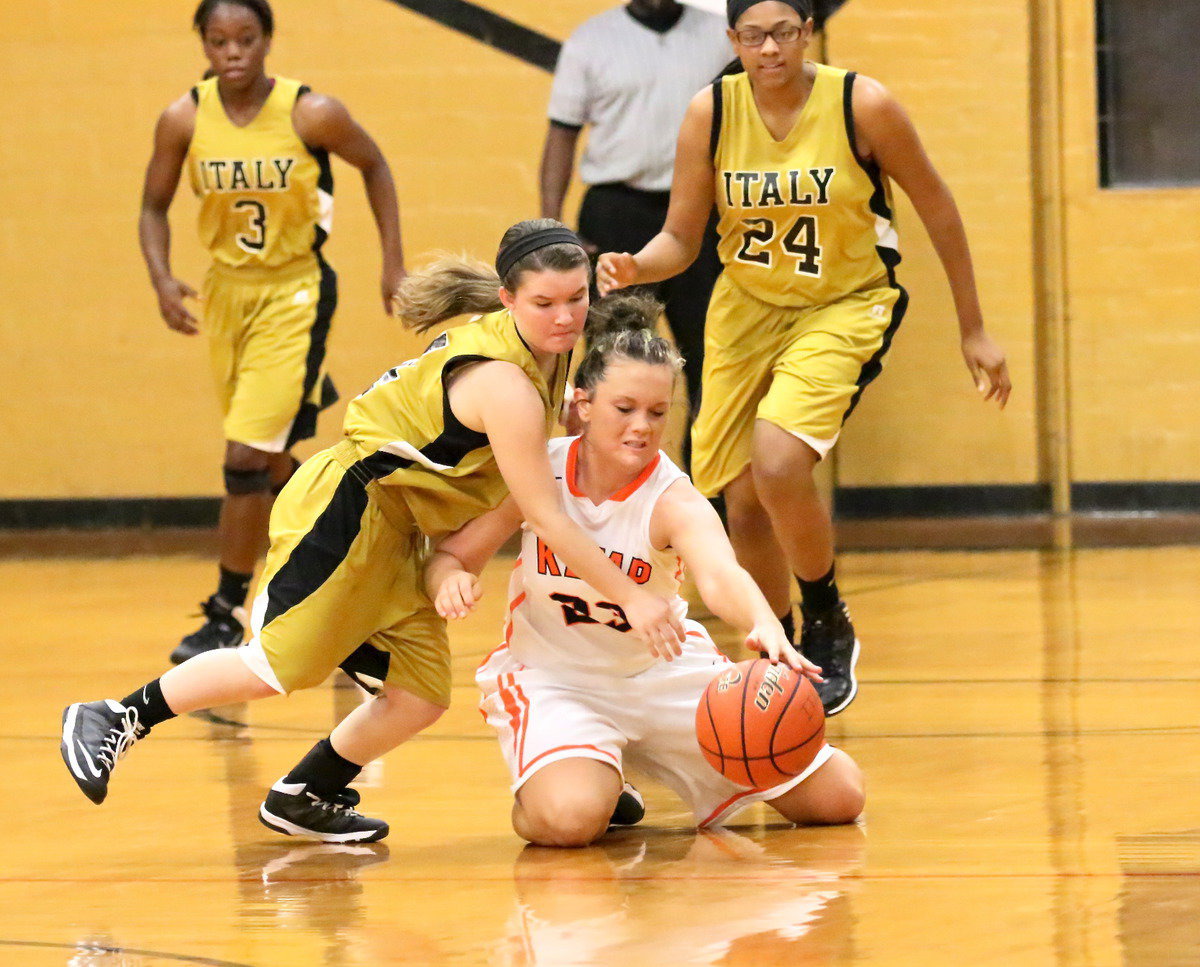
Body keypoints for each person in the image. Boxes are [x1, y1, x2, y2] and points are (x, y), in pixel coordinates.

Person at [61, 220, 686, 843]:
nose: (564, 317)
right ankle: (114, 717)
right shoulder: (506, 383)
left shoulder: (544, 354)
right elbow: (544, 513)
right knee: (276, 666)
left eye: (575, 299)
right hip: (348, 511)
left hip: (400, 528)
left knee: (419, 694)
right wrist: (630, 595)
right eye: (544, 304)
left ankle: (309, 791)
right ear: (508, 300)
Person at [597, 0, 1012, 716]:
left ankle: (826, 616)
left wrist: (973, 327)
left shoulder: (862, 104)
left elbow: (938, 206)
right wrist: (638, 265)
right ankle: (776, 647)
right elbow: (683, 236)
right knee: (739, 496)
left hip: (842, 304)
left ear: (808, 32)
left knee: (780, 463)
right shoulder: (712, 113)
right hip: (746, 310)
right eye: (753, 35)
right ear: (732, 40)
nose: (769, 49)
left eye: (783, 32)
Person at [425, 305, 865, 848]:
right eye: (625, 408)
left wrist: (761, 620)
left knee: (841, 797)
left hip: (662, 674)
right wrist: (450, 579)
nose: (641, 426)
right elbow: (451, 555)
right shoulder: (537, 471)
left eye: (657, 413)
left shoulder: (672, 498)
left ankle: (608, 768)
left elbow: (721, 573)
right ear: (583, 405)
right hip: (557, 678)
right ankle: (585, 773)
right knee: (567, 822)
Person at [139, 0, 406, 664]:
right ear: (203, 44)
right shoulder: (183, 118)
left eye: (246, 39)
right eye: (219, 40)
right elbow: (151, 204)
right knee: (280, 462)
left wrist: (392, 262)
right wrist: (162, 279)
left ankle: (228, 611)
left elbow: (374, 165)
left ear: (267, 41)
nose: (233, 52)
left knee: (243, 458)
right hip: (228, 296)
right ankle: (350, 590)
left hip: (296, 291)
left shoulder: (311, 112)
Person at [540, 0, 732, 466]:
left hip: (704, 214)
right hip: (618, 213)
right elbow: (561, 134)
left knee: (716, 362)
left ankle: (705, 500)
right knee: (614, 365)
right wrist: (552, 226)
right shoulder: (592, 39)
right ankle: (609, 485)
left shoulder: (719, 35)